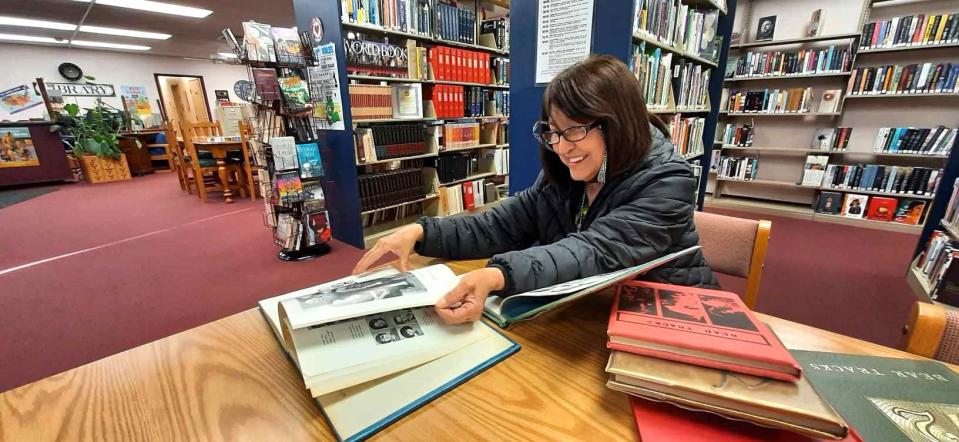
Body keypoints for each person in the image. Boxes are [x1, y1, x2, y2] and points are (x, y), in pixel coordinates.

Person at [353, 55, 718, 325]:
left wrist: (499, 275)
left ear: (616, 125)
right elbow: (501, 224)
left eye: (575, 130)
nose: (561, 147)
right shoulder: (568, 173)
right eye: (554, 131)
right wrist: (421, 232)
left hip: (677, 316)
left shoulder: (668, 179)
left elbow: (595, 251)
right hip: (596, 313)